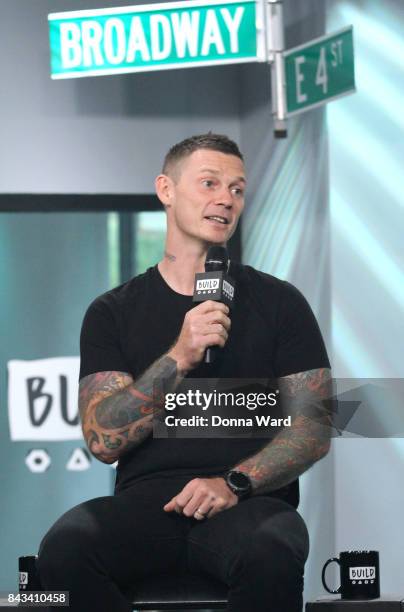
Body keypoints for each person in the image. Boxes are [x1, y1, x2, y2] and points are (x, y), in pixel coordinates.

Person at [38, 133, 332, 612]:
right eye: (209, 183)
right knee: (65, 550)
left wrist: (234, 483)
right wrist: (179, 356)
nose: (226, 199)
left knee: (273, 549)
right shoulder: (113, 312)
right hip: (147, 507)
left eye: (237, 189)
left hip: (250, 504)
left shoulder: (282, 303)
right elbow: (103, 440)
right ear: (166, 190)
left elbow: (315, 428)